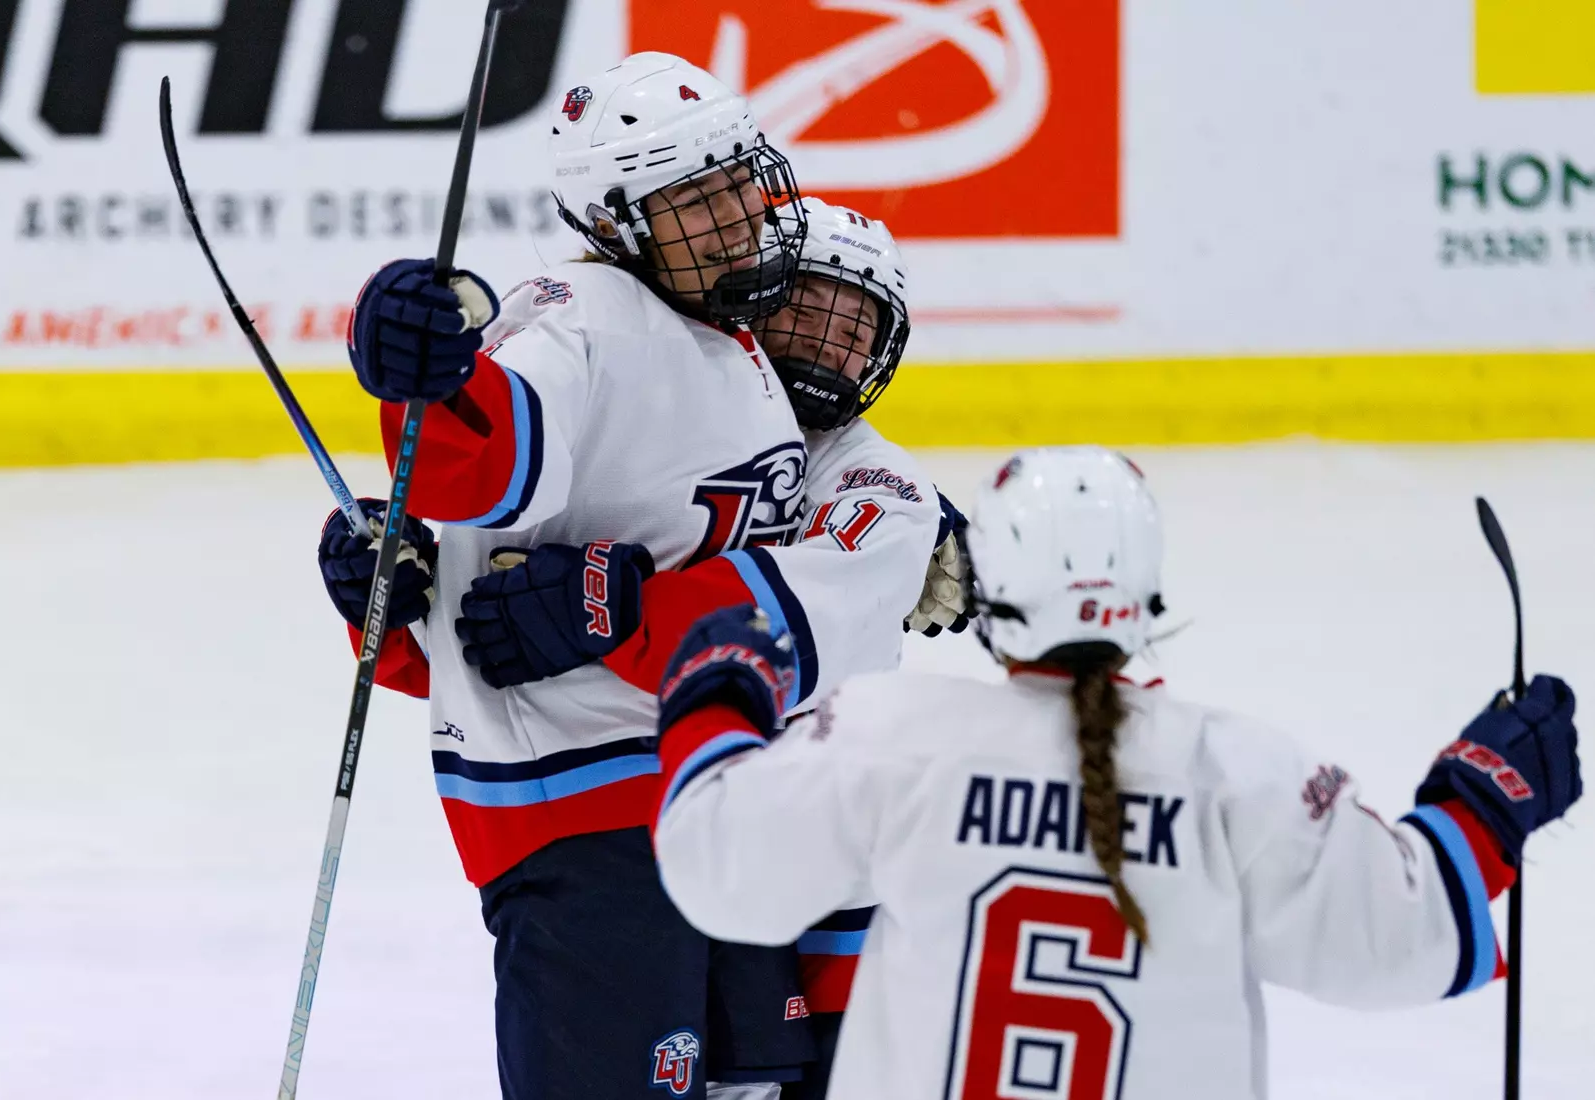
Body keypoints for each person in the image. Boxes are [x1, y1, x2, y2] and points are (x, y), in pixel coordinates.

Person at [318, 52, 940, 1100]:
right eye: (809, 310)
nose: (826, 343)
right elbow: (492, 477)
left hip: (757, 823)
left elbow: (798, 635)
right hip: (591, 812)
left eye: (856, 321)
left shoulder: (872, 474)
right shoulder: (596, 315)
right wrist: (420, 395)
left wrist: (616, 609)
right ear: (623, 222)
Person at [647, 445, 1583, 1100]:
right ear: (1145, 596)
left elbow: (720, 873)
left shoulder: (897, 734)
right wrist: (1485, 800)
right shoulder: (1237, 770)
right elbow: (1406, 937)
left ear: (992, 591)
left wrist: (712, 705)